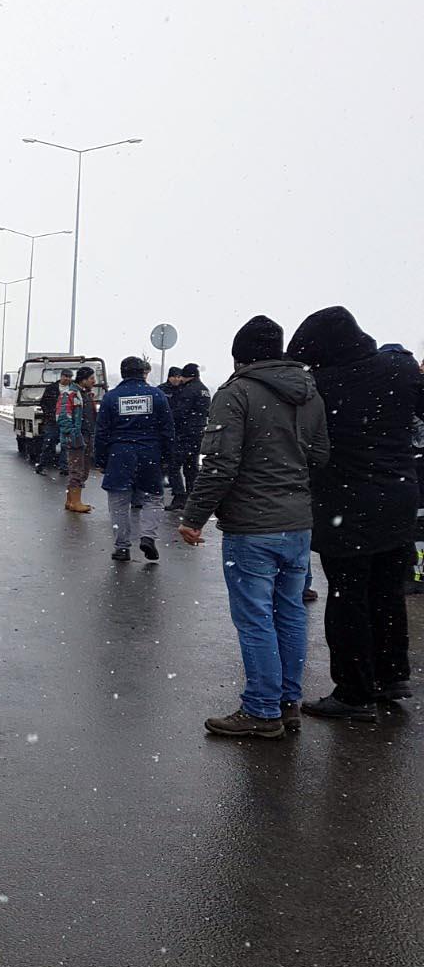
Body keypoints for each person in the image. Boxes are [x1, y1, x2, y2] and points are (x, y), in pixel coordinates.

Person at [178, 315, 329, 738]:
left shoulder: (237, 392)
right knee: (291, 614)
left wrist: (193, 517)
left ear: (239, 354)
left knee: (255, 618)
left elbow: (220, 464)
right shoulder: (310, 394)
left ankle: (261, 711)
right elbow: (320, 456)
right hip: (298, 524)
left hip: (253, 526)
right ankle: (286, 703)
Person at [288, 310, 424, 721]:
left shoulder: (323, 386)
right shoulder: (398, 369)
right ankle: (392, 674)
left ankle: (354, 692)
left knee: (348, 600)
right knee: (387, 591)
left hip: (347, 509)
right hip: (398, 499)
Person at [93, 356, 175, 561]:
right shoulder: (157, 395)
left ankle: (122, 546)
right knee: (153, 498)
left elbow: (101, 432)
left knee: (119, 502)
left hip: (119, 454)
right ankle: (148, 537)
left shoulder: (111, 397)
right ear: (143, 373)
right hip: (149, 452)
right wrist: (166, 457)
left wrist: (101, 460)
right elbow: (168, 430)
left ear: (122, 373)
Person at [165, 363, 211, 511]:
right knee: (191, 467)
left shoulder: (188, 390)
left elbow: (180, 413)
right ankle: (192, 497)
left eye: (183, 376)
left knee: (172, 466)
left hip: (185, 433)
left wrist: (167, 421)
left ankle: (179, 496)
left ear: (188, 376)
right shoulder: (204, 390)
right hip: (198, 433)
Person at [56, 366, 97, 513]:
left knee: (83, 470)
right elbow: (63, 417)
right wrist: (73, 435)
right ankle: (75, 502)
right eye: (92, 378)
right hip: (77, 438)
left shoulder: (85, 394)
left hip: (86, 436)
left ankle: (71, 501)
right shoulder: (70, 394)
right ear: (84, 379)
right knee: (77, 470)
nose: (94, 381)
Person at [35, 369, 72, 473]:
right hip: (52, 421)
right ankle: (42, 466)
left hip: (67, 421)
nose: (67, 379)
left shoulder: (73, 389)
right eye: (65, 376)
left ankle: (64, 467)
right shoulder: (51, 388)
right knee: (49, 443)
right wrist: (50, 414)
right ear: (61, 376)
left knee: (65, 445)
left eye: (69, 377)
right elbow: (43, 403)